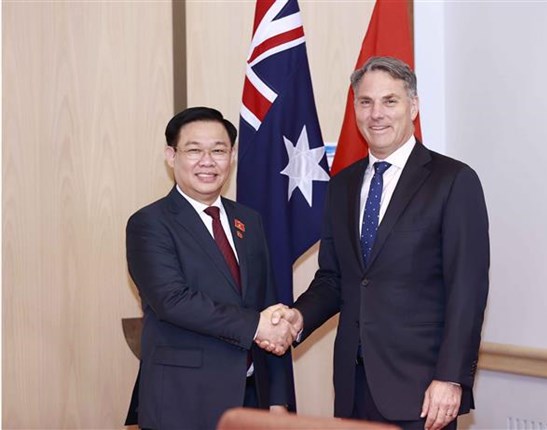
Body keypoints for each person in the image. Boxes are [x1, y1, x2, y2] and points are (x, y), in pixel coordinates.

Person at [264, 56, 490, 430]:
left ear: (413, 106)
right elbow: (335, 278)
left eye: (390, 101)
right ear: (355, 108)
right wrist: (297, 318)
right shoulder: (342, 185)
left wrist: (450, 379)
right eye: (366, 102)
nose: (376, 114)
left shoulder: (453, 181)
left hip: (422, 390)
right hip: (353, 389)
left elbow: (467, 289)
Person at [126, 107, 295, 430]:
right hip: (182, 402)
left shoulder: (249, 220)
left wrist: (277, 398)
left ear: (231, 157)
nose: (208, 161)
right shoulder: (150, 223)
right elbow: (172, 301)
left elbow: (267, 306)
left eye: (218, 150)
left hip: (251, 400)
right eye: (194, 150)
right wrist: (256, 326)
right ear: (171, 156)